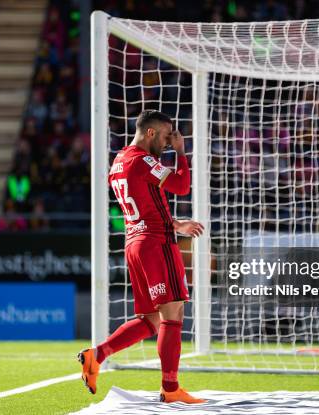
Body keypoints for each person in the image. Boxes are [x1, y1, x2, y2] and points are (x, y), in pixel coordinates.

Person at [78, 110, 205, 404]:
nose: (168, 141)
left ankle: (96, 355)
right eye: (165, 135)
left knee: (150, 319)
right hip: (155, 244)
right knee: (173, 314)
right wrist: (182, 152)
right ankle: (170, 389)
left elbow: (145, 202)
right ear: (150, 133)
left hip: (135, 242)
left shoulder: (120, 161)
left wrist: (175, 223)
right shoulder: (143, 160)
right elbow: (182, 186)